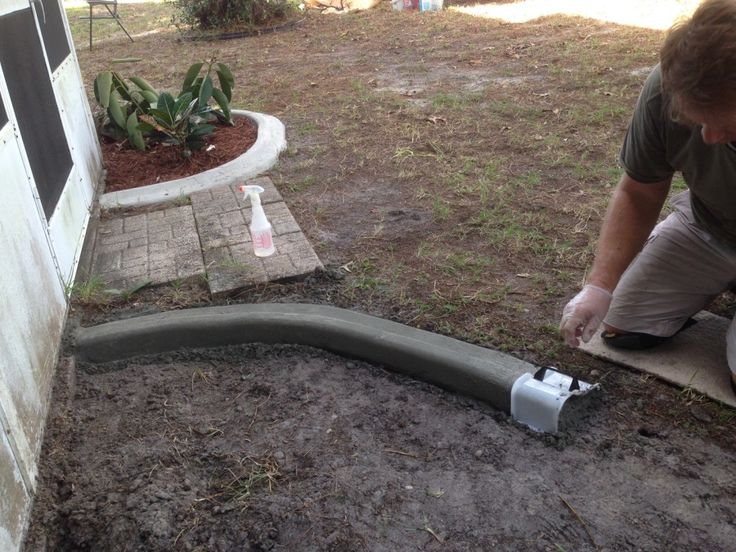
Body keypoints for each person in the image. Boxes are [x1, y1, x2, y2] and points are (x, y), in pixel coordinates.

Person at [558, 0, 736, 395]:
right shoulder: (669, 86)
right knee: (621, 324)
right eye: (696, 120)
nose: (706, 138)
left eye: (722, 123)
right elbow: (639, 192)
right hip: (709, 223)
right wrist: (599, 286)